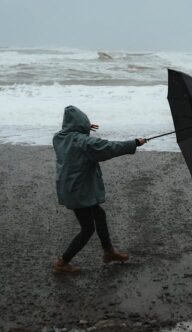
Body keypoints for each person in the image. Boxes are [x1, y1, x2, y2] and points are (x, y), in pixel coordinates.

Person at [52, 105, 146, 274]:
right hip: (79, 191)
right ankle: (62, 262)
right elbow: (109, 147)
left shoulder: (59, 138)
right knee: (87, 229)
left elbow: (76, 138)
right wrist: (134, 143)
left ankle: (108, 251)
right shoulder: (83, 142)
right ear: (80, 124)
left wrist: (84, 129)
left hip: (71, 187)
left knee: (99, 215)